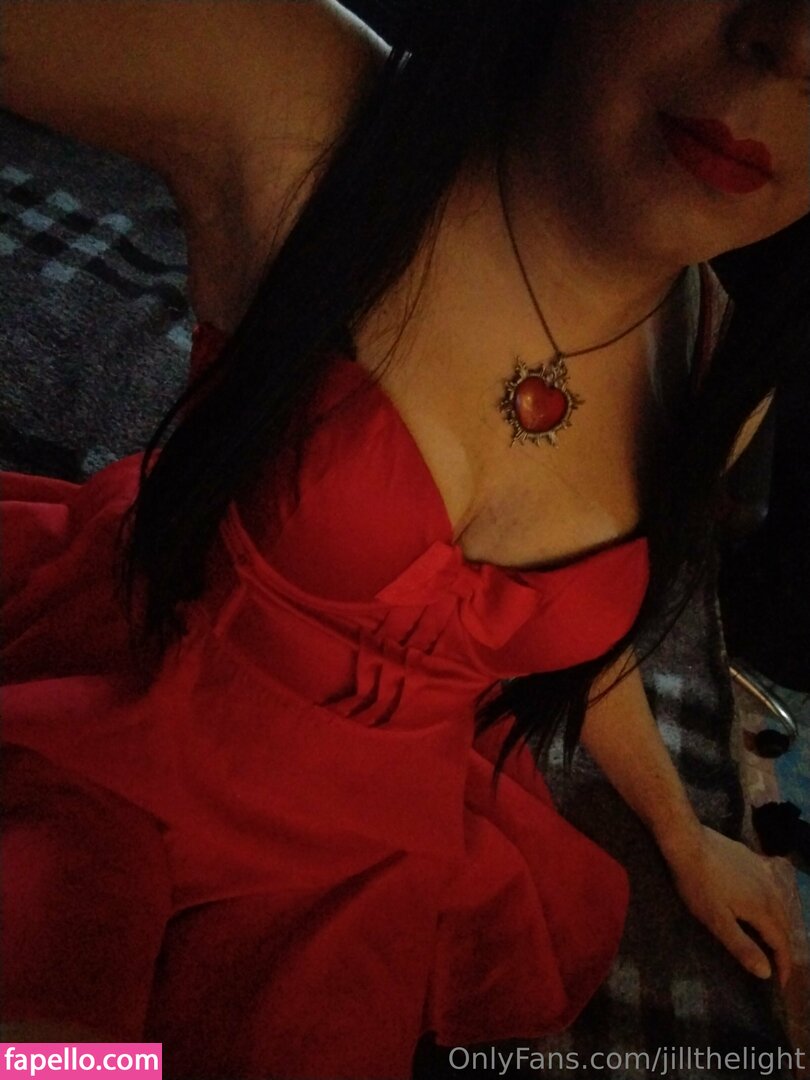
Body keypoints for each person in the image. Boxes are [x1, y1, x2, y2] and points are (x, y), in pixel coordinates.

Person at [1, 1, 808, 1076]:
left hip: (369, 860)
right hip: (118, 732)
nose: (795, 43)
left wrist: (680, 831)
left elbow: (591, 644)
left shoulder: (717, 373)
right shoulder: (315, 118)